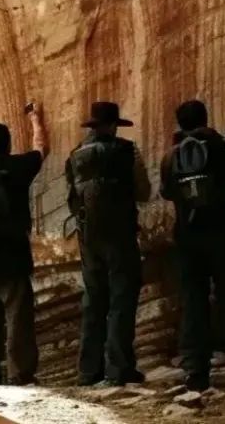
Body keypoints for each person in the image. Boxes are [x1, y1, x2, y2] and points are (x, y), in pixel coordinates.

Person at [160, 100, 225, 391]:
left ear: (180, 123)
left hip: (187, 234)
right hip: (222, 230)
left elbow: (166, 192)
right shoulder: (222, 148)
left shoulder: (171, 155)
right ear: (205, 118)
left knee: (193, 300)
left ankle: (195, 372)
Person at [66, 101, 151, 387]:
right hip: (120, 234)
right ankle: (119, 368)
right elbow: (143, 191)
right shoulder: (126, 151)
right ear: (114, 125)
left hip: (88, 236)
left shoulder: (75, 155)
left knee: (93, 300)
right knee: (121, 299)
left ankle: (88, 371)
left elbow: (72, 199)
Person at [0, 105, 49, 388]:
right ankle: (20, 375)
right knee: (17, 318)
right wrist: (35, 119)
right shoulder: (18, 167)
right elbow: (41, 149)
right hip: (13, 256)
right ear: (9, 143)